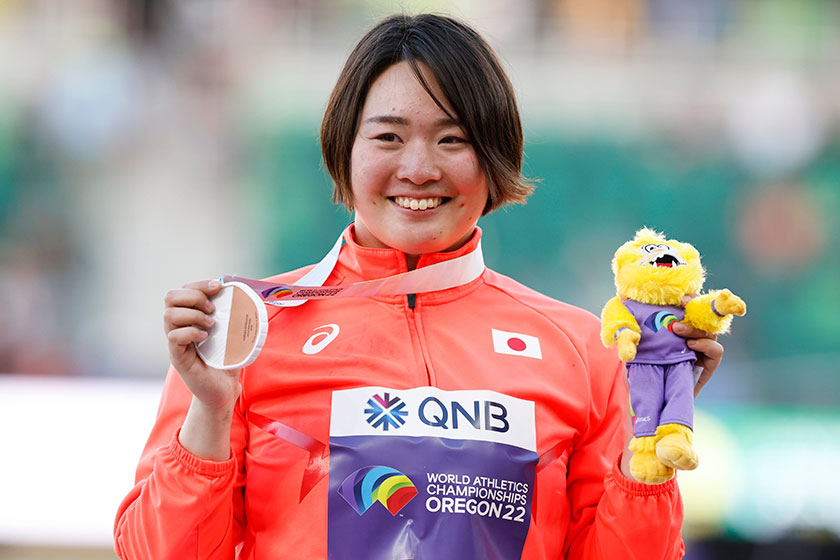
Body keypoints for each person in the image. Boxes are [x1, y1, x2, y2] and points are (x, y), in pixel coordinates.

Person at [114, 13, 724, 560]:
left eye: (452, 138)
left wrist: (651, 434)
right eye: (387, 136)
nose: (418, 168)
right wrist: (211, 412)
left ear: (493, 158)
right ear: (343, 151)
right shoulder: (249, 332)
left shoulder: (582, 348)